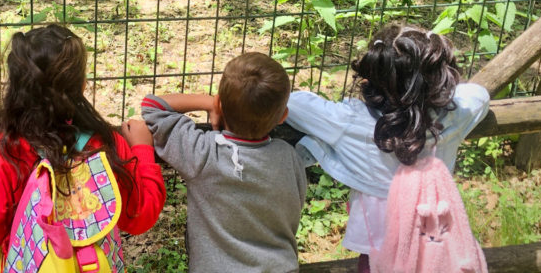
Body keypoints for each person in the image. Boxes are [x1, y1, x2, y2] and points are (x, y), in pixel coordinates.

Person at [0, 24, 165, 270]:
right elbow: (140, 216)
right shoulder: (106, 145)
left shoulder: (1, 155)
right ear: (81, 85)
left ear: (16, 87)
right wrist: (142, 150)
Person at [286, 24, 490, 272]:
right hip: (436, 247)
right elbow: (479, 94)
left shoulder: (350, 121)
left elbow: (292, 103)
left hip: (379, 253)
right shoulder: (454, 117)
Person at [141, 52, 308, 273]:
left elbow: (153, 106)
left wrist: (207, 102)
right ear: (282, 116)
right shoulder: (289, 157)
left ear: (219, 104)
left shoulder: (203, 152)